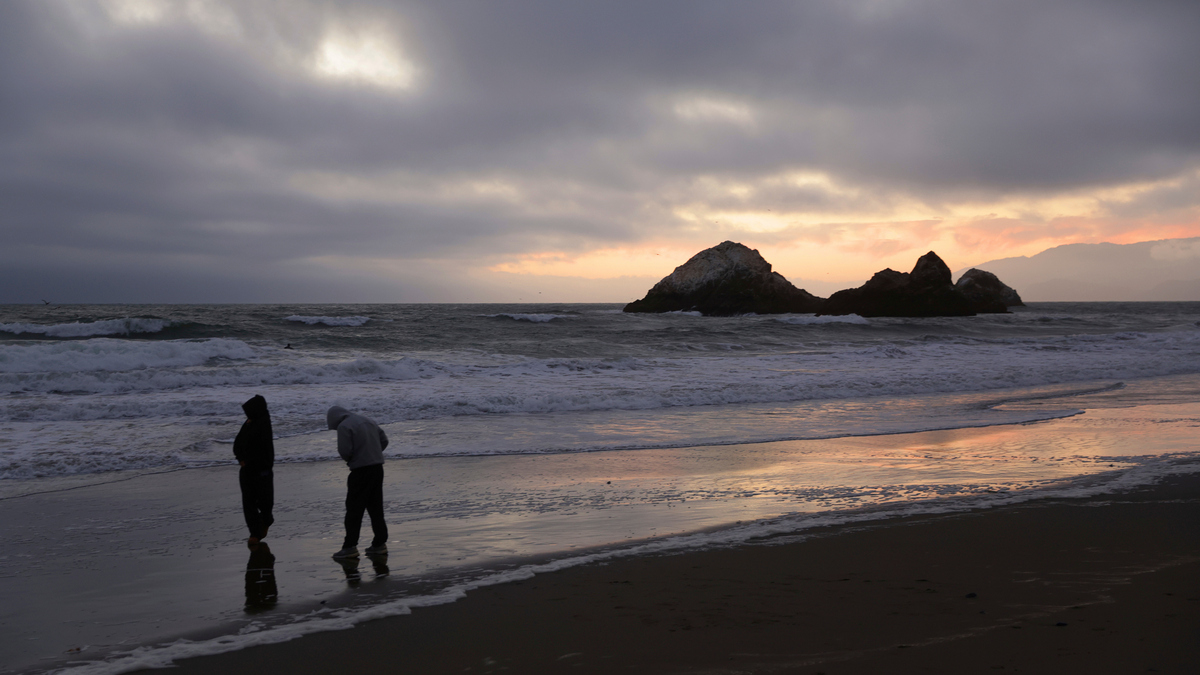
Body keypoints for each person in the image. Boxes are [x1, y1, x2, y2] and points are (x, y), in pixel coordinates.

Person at [326, 406, 389, 559]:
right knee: (376, 508)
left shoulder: (344, 426)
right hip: (377, 468)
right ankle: (379, 544)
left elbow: (345, 451)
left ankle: (350, 546)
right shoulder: (368, 420)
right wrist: (372, 452)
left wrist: (353, 459)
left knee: (354, 510)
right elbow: (384, 440)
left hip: (360, 471)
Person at [234, 395, 274, 544]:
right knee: (249, 502)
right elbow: (238, 443)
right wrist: (241, 459)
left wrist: (248, 461)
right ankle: (255, 533)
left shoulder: (262, 423)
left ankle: (265, 521)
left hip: (262, 469)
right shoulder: (250, 422)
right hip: (248, 469)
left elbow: (261, 449)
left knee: (265, 501)